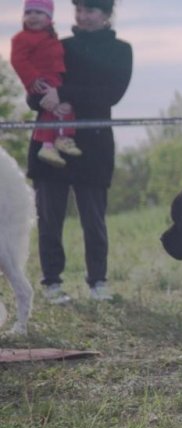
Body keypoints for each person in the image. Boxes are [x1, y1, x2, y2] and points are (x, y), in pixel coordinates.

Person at [25, 0, 132, 304]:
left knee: (94, 218)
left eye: (90, 10)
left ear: (107, 14)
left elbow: (110, 94)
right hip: (48, 143)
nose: (83, 16)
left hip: (93, 146)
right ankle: (51, 282)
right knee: (49, 217)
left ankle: (98, 281)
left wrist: (65, 93)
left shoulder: (121, 51)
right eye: (79, 10)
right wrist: (45, 97)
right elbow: (34, 94)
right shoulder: (56, 45)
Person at [11, 0, 82, 168]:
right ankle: (48, 144)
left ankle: (61, 138)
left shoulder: (49, 36)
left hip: (54, 78)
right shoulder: (22, 38)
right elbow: (18, 61)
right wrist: (33, 79)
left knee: (64, 108)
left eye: (39, 12)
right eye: (28, 13)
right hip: (40, 80)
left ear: (49, 17)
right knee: (52, 108)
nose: (33, 16)